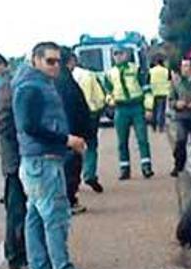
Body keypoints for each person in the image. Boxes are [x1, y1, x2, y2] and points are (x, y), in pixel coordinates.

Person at [12, 41, 90, 269]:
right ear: (36, 60)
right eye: (50, 61)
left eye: (57, 61)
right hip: (43, 161)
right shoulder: (31, 88)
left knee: (35, 215)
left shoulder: (37, 84)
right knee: (55, 216)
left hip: (38, 160)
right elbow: (30, 126)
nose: (55, 66)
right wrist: (67, 139)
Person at [0, 53, 27, 269]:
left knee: (19, 207)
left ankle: (19, 252)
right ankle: (15, 255)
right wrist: (22, 139)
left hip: (16, 156)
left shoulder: (8, 83)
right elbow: (2, 121)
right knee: (16, 209)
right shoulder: (7, 86)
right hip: (15, 158)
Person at [105, 47, 154, 179]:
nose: (118, 56)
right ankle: (124, 169)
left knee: (142, 138)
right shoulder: (110, 73)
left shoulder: (136, 69)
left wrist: (149, 108)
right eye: (115, 54)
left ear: (126, 54)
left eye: (121, 53)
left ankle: (146, 166)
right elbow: (108, 92)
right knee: (122, 141)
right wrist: (110, 100)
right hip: (121, 109)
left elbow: (147, 90)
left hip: (137, 107)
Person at [56, 47, 92, 215]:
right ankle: (69, 200)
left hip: (69, 132)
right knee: (71, 168)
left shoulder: (62, 79)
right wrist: (75, 135)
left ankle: (69, 198)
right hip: (71, 134)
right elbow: (71, 108)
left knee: (70, 168)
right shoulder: (64, 81)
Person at [72, 55, 107, 193]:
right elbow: (99, 96)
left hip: (72, 116)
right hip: (90, 115)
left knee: (73, 149)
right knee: (91, 145)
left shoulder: (59, 78)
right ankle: (89, 174)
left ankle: (74, 180)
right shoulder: (88, 75)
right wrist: (99, 109)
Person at [149, 56, 172, 132]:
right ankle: (161, 127)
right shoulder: (166, 70)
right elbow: (170, 80)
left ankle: (154, 126)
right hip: (164, 92)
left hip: (153, 92)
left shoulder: (151, 71)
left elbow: (147, 80)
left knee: (154, 110)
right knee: (161, 110)